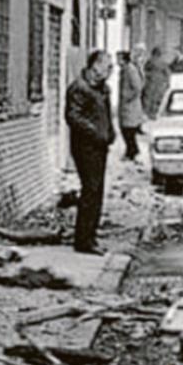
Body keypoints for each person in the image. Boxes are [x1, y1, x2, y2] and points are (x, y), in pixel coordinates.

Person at [66, 50, 117, 255]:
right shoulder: (79, 88)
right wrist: (96, 133)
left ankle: (90, 236)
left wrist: (110, 133)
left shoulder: (103, 89)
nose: (110, 70)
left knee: (96, 191)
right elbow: (73, 117)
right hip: (85, 146)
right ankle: (83, 240)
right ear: (95, 65)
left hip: (99, 145)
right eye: (107, 65)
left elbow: (106, 115)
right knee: (90, 190)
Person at [116, 51, 145, 162]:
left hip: (130, 105)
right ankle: (131, 151)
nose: (117, 61)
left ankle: (133, 151)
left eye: (119, 58)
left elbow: (137, 87)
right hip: (126, 105)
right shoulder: (125, 70)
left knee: (128, 129)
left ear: (124, 59)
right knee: (125, 129)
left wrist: (128, 97)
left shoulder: (130, 70)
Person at [142, 46, 171, 119]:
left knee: (148, 98)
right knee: (157, 99)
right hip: (160, 83)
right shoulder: (163, 62)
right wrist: (167, 82)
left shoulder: (149, 61)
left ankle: (147, 113)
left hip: (150, 82)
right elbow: (167, 73)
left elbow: (145, 71)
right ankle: (153, 113)